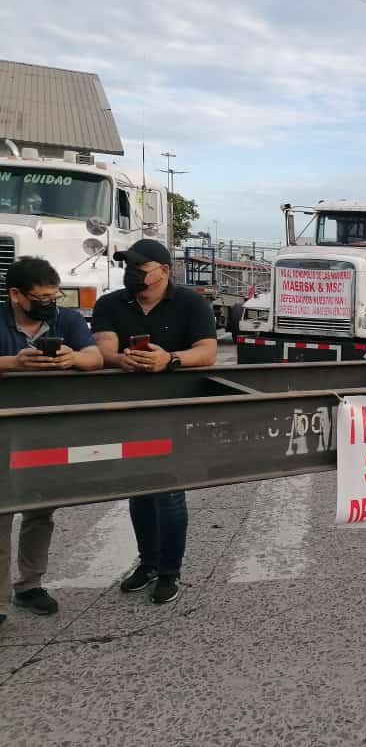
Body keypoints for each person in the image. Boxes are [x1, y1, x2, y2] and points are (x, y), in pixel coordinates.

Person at [91, 239, 217, 605]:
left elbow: (208, 352)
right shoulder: (110, 303)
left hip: (175, 409)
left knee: (169, 490)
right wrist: (120, 360)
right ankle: (147, 564)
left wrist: (171, 359)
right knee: (140, 490)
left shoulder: (191, 303)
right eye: (128, 267)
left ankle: (169, 572)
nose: (132, 274)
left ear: (164, 271)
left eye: (140, 268)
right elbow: (103, 348)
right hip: (129, 409)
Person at [0, 257, 103, 625]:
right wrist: (14, 363)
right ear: (15, 295)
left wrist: (73, 357)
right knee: (0, 513)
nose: (49, 302)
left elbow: (95, 356)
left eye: (53, 295)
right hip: (4, 426)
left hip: (46, 428)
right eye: (40, 297)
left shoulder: (67, 320)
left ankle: (30, 585)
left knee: (41, 509)